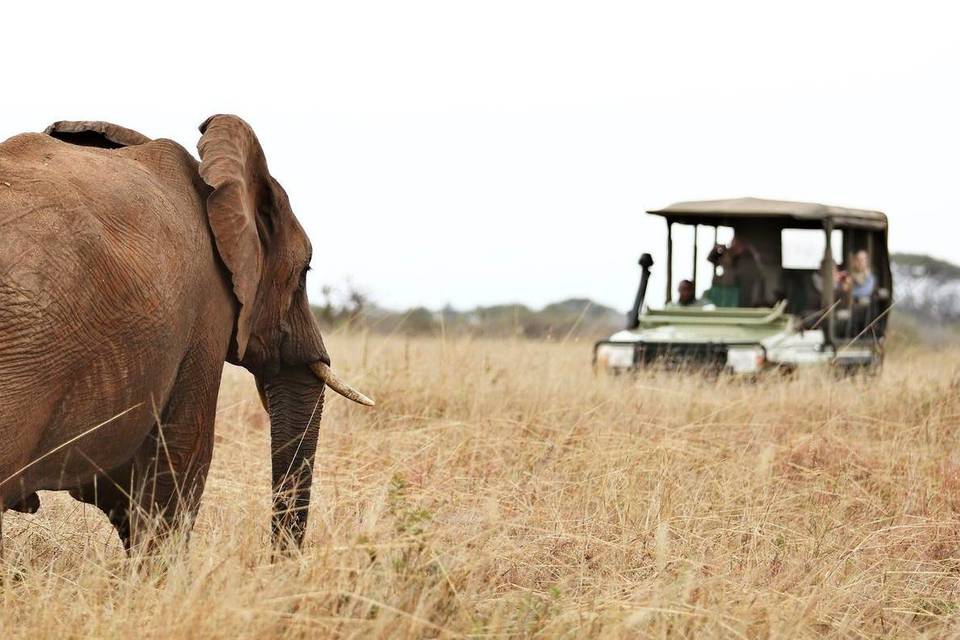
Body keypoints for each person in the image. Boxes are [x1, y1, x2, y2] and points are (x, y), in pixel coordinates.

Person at [707, 235, 767, 306]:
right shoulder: (724, 254)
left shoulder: (743, 257)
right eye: (732, 243)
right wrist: (715, 249)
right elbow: (711, 259)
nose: (733, 245)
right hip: (722, 286)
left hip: (735, 287)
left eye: (736, 243)